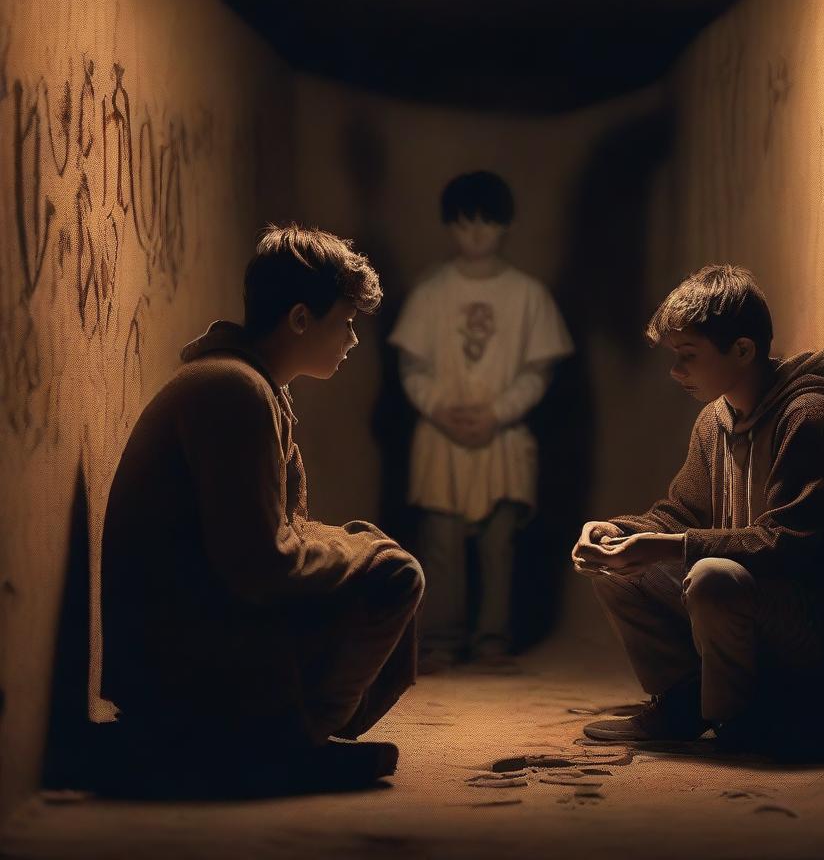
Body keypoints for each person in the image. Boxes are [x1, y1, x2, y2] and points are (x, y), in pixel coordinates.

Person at [100, 223, 423, 793]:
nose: (351, 341)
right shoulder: (233, 390)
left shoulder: (253, 385)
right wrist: (364, 551)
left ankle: (268, 739)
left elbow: (273, 539)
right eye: (344, 323)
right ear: (300, 318)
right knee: (394, 572)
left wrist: (353, 542)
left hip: (201, 636)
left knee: (367, 544)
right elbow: (259, 565)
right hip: (180, 664)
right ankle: (275, 748)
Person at [572, 265, 824, 754]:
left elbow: (793, 542)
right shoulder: (716, 420)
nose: (675, 371)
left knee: (711, 577)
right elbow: (681, 514)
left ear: (743, 350)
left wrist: (670, 544)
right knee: (615, 563)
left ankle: (744, 723)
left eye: (688, 356)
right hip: (741, 615)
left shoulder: (809, 417)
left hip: (803, 629)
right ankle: (684, 701)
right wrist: (616, 532)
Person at [389, 171, 573, 672]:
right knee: (441, 545)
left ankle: (493, 638)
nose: (474, 236)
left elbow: (539, 372)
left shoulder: (528, 295)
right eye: (464, 225)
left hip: (504, 439)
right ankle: (442, 638)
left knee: (499, 544)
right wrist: (438, 409)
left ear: (505, 225)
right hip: (440, 438)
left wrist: (497, 413)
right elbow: (412, 367)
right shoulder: (431, 292)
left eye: (485, 224)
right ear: (449, 226)